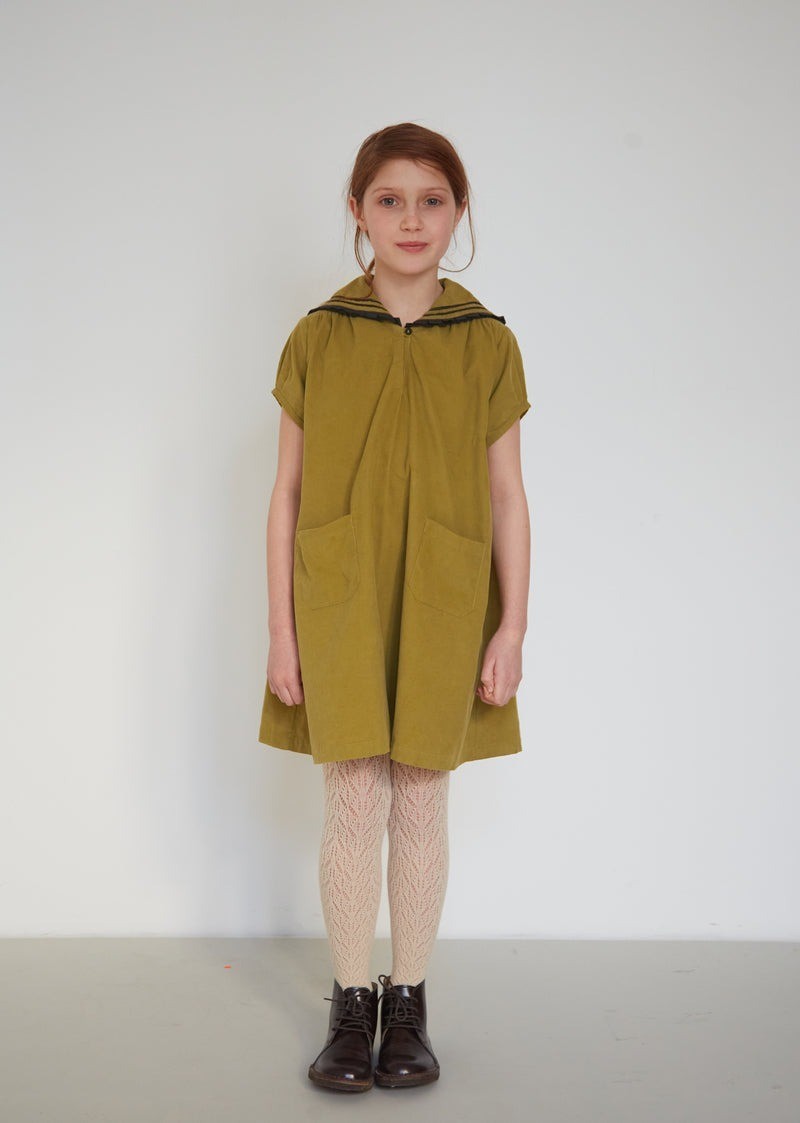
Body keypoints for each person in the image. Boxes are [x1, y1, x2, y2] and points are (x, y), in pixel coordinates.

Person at [257, 122, 532, 1093]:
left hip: (448, 595)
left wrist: (511, 624)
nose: (411, 220)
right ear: (357, 210)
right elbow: (286, 493)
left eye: (431, 200)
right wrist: (281, 629)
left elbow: (507, 495)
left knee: (420, 794)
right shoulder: (318, 335)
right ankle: (349, 1002)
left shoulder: (487, 342)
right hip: (337, 592)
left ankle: (407, 999)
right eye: (389, 199)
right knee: (352, 796)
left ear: (458, 212)